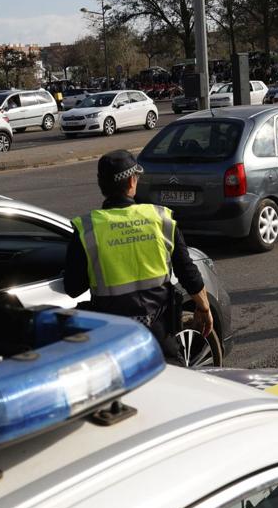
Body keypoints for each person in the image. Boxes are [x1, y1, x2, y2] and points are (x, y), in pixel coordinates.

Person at [65, 149, 213, 362]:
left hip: (114, 344)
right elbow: (187, 271)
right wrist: (204, 306)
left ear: (102, 186)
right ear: (132, 181)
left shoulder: (87, 230)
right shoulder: (160, 219)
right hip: (159, 337)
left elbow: (73, 288)